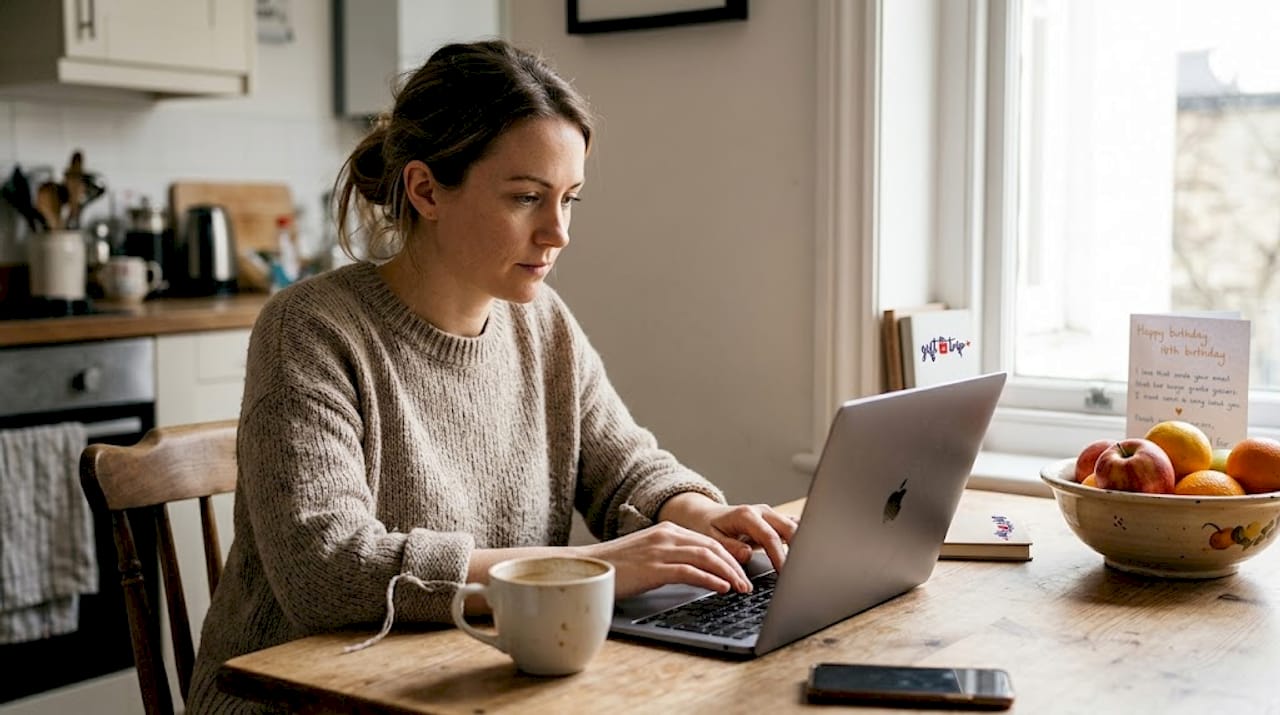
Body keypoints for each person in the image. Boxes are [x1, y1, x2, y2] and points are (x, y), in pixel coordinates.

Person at [187, 39, 796, 713]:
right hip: (305, 700)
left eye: (569, 198)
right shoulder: (309, 328)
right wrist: (589, 572)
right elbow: (327, 571)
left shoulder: (542, 325)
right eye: (527, 197)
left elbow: (624, 467)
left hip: (473, 683)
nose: (557, 231)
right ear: (425, 190)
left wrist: (701, 516)